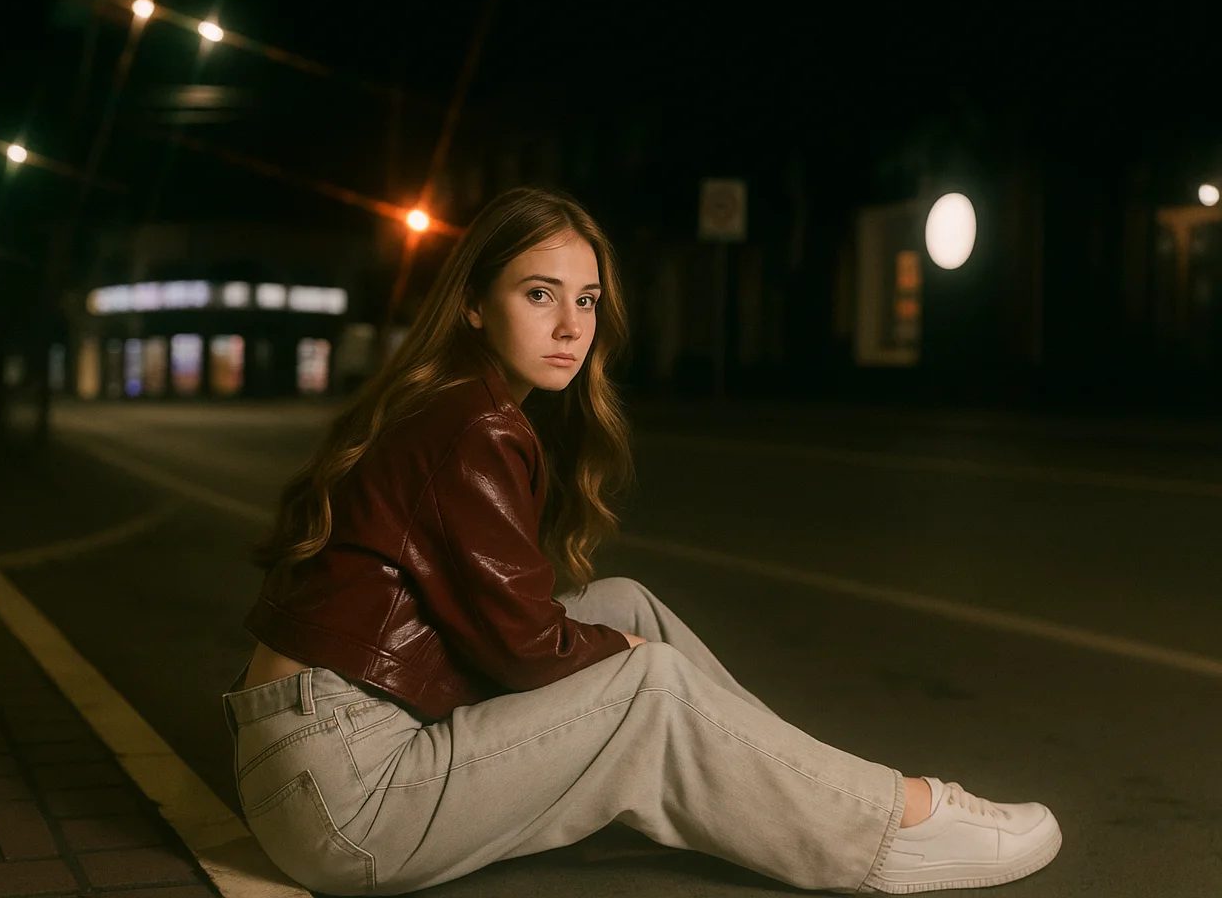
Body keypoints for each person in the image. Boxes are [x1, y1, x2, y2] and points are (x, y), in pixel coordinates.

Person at [223, 187, 1061, 895]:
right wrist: (614, 653)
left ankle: (799, 783)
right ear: (475, 302)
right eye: (539, 294)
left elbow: (506, 625)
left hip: (317, 753)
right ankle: (889, 827)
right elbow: (522, 649)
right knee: (646, 678)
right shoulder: (472, 423)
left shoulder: (456, 400)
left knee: (628, 605)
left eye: (584, 300)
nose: (571, 326)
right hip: (346, 794)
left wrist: (613, 637)